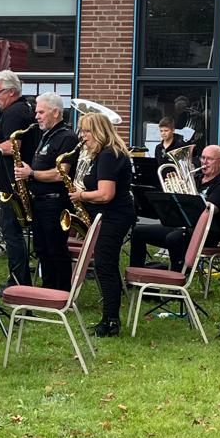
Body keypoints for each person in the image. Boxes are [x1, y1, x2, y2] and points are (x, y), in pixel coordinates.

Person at [69, 112, 135, 336]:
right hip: (108, 215)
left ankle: (111, 321)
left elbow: (106, 194)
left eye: (87, 131)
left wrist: (81, 196)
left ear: (99, 131)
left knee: (105, 266)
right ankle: (108, 318)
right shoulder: (104, 154)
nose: (83, 136)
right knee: (104, 265)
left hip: (113, 216)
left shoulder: (108, 155)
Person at [130, 143, 220, 272]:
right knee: (138, 232)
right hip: (185, 227)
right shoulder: (195, 178)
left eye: (210, 159)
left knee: (174, 238)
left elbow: (208, 211)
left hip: (208, 233)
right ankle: (137, 274)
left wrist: (188, 198)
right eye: (202, 158)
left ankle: (177, 277)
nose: (204, 162)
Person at [15, 93, 80, 291]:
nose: (37, 116)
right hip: (40, 201)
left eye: (41, 112)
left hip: (55, 202)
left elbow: (61, 174)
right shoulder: (47, 135)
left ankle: (61, 291)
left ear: (56, 112)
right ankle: (47, 288)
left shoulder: (67, 137)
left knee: (56, 248)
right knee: (42, 248)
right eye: (36, 111)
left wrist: (31, 173)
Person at [0, 71, 38, 287]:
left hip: (12, 181)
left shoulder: (12, 113)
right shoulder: (25, 108)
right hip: (19, 178)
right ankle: (18, 278)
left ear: (11, 92)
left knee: (12, 232)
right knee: (14, 232)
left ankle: (18, 281)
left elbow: (13, 146)